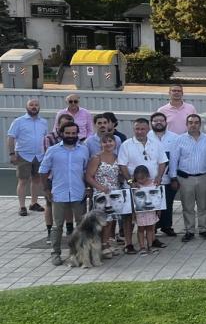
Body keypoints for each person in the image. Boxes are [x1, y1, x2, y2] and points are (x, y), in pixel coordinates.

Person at [40, 122, 91, 265]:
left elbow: (86, 170)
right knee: (58, 225)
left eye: (73, 133)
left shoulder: (83, 150)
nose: (71, 136)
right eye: (68, 133)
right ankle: (55, 253)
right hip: (59, 193)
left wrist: (87, 188)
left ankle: (80, 253)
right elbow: (43, 170)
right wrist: (46, 189)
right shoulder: (53, 150)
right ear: (61, 133)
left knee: (81, 225)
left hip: (78, 192)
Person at [118, 118, 168, 253]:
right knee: (129, 216)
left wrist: (159, 177)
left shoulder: (156, 143)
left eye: (142, 129)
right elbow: (122, 165)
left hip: (151, 185)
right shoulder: (126, 145)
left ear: (148, 129)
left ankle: (151, 240)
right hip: (134, 186)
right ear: (133, 129)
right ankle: (128, 243)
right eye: (137, 129)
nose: (139, 132)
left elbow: (162, 162)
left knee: (152, 213)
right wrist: (130, 181)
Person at [170, 114, 206, 242]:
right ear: (186, 124)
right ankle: (189, 230)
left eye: (196, 122)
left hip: (204, 177)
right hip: (186, 178)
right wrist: (173, 177)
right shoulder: (179, 140)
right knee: (188, 206)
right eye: (190, 122)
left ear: (200, 124)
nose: (193, 125)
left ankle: (204, 229)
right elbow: (174, 160)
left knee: (203, 205)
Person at [8, 99, 48, 216]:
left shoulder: (43, 122)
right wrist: (11, 154)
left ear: (39, 107)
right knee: (23, 181)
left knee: (36, 180)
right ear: (26, 107)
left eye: (36, 105)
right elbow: (10, 138)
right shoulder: (18, 121)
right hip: (23, 155)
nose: (34, 107)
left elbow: (45, 138)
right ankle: (22, 206)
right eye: (31, 105)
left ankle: (33, 203)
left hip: (39, 155)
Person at [85, 133, 122, 256]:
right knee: (101, 221)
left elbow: (120, 175)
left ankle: (106, 243)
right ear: (101, 144)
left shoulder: (117, 157)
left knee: (111, 221)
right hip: (101, 193)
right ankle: (99, 245)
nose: (108, 144)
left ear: (114, 143)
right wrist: (100, 187)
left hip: (114, 193)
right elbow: (89, 176)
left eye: (110, 141)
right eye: (105, 142)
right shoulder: (97, 158)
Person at [149, 112, 179, 238]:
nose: (158, 122)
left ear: (166, 122)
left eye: (161, 120)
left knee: (167, 203)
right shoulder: (147, 136)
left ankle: (167, 226)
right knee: (153, 203)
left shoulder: (175, 137)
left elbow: (176, 159)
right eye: (155, 120)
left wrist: (174, 177)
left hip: (168, 177)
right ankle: (152, 227)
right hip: (151, 179)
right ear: (151, 123)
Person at [131, 165, 161, 255]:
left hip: (151, 211)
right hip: (140, 212)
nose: (140, 181)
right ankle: (142, 247)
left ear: (147, 175)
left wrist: (159, 210)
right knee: (140, 229)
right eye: (138, 179)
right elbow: (133, 201)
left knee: (150, 228)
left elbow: (158, 198)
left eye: (142, 178)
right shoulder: (135, 186)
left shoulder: (153, 184)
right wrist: (133, 212)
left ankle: (150, 245)